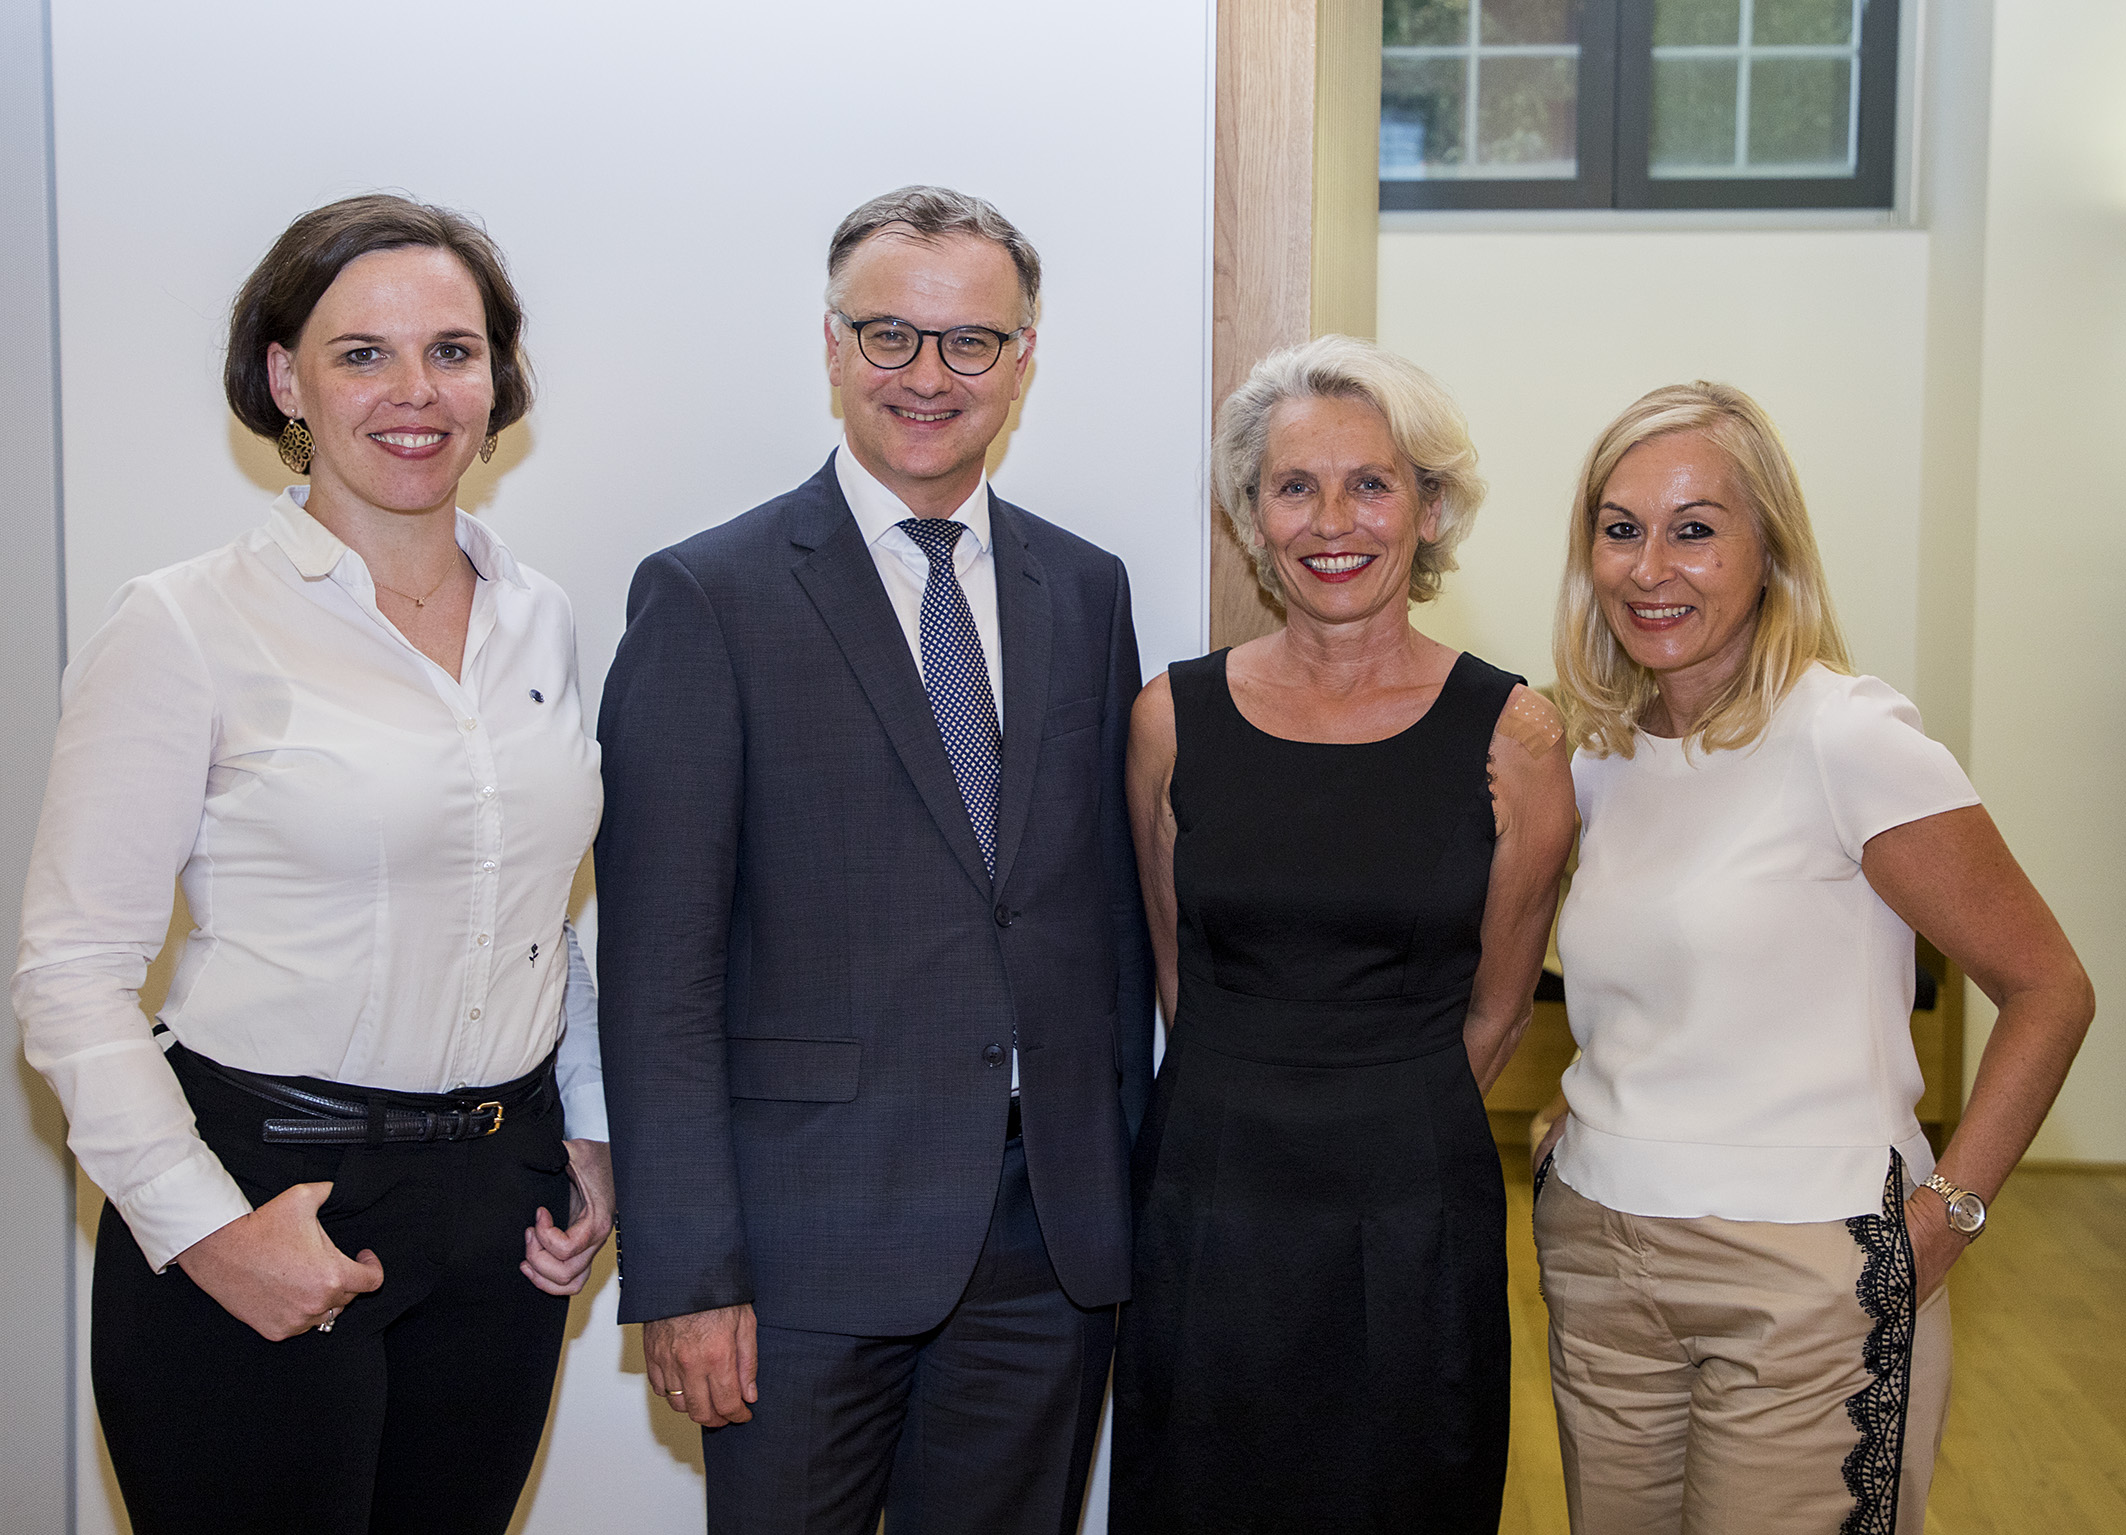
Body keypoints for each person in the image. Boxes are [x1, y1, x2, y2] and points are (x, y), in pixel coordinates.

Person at [12, 194, 614, 1535]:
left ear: (497, 376)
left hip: (500, 1208)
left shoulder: (540, 615)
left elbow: (532, 906)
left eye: (453, 350)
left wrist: (589, 1127)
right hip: (264, 1183)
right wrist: (208, 1229)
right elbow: (70, 974)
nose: (416, 392)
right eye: (362, 354)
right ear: (286, 378)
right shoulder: (184, 622)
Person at [594, 184, 1154, 1535]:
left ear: (1021, 360)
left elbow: (1109, 921)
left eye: (970, 341)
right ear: (832, 344)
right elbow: (658, 974)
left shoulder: (1085, 590)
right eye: (889, 334)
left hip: (1045, 1239)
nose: (927, 375)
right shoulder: (707, 594)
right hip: (801, 1249)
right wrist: (686, 1271)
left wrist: (1123, 1191)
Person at [1535, 381, 2093, 1534]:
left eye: (1694, 527)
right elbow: (1643, 989)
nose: (1650, 567)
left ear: (1768, 551)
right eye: (1620, 527)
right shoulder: (1597, 754)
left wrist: (1943, 1218)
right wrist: (1573, 1116)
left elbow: (2048, 988)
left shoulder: (1846, 733)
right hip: (1599, 1252)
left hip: (1805, 1271)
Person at [1110, 335, 1577, 1532]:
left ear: (1429, 508)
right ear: (1251, 514)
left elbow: (1498, 1008)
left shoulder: (1515, 734)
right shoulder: (1169, 718)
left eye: (1370, 483)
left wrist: (1375, 1108)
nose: (1332, 521)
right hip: (1207, 1193)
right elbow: (1173, 973)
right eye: (1293, 485)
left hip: (1411, 1203)